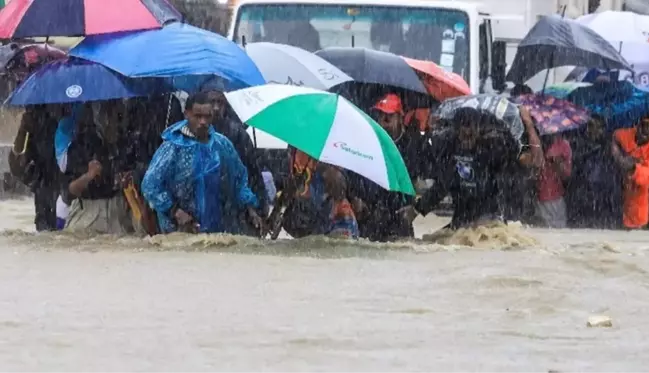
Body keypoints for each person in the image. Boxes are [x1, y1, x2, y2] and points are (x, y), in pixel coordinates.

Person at [398, 106, 541, 230]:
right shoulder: (450, 151)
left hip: (490, 222)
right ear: (455, 129)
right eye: (463, 126)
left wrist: (528, 124)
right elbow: (441, 188)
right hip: (461, 221)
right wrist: (416, 211)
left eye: (471, 126)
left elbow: (535, 160)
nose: (467, 131)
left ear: (478, 128)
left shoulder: (494, 148)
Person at [141, 92, 263, 235]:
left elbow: (239, 180)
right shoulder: (172, 147)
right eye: (198, 116)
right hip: (179, 230)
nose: (203, 122)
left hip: (218, 230)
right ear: (187, 114)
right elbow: (150, 185)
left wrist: (251, 209)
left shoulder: (222, 145)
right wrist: (175, 211)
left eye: (207, 116)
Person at [349, 94, 426, 241]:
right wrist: (354, 197)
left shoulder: (411, 147)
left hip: (399, 217)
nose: (383, 123)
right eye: (380, 116)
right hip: (370, 216)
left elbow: (419, 182)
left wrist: (415, 209)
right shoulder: (368, 143)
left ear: (399, 119)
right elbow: (355, 173)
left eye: (388, 118)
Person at [62, 101, 133, 234]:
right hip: (88, 212)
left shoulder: (126, 143)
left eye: (114, 113)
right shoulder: (79, 147)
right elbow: (69, 192)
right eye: (106, 113)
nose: (110, 119)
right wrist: (88, 176)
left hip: (119, 210)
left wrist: (128, 181)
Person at [203, 89, 269, 235]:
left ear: (225, 105)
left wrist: (258, 209)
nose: (215, 108)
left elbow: (251, 172)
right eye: (211, 102)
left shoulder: (237, 133)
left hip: (234, 204)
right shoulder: (192, 134)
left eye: (219, 103)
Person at [8, 105, 61, 231]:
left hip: (72, 200)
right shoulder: (36, 115)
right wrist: (23, 130)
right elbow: (17, 168)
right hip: (45, 200)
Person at [568, 115, 622, 228]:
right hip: (583, 193)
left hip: (604, 193)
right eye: (590, 126)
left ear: (602, 129)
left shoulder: (609, 146)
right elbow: (575, 167)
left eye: (597, 126)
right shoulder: (579, 144)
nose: (593, 130)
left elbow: (615, 171)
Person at [611, 118, 649, 229]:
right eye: (644, 125)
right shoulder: (628, 135)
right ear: (638, 125)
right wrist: (617, 155)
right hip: (620, 191)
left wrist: (634, 167)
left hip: (640, 201)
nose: (646, 130)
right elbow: (615, 136)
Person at [534, 134, 572, 228]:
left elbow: (567, 174)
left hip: (556, 197)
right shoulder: (536, 141)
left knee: (559, 230)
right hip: (540, 194)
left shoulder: (563, 145)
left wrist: (557, 162)